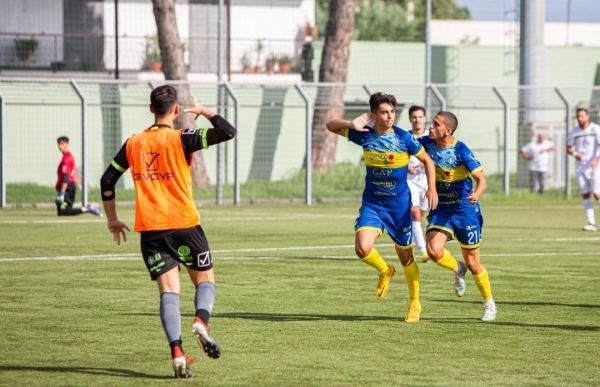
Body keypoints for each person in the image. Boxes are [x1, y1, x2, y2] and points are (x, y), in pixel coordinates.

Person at [99, 85, 236, 378]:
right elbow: (227, 131)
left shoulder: (133, 143)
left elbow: (107, 179)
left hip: (151, 230)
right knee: (205, 281)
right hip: (184, 223)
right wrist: (205, 112)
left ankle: (178, 354)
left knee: (169, 293)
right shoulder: (183, 137)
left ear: (151, 109)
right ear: (176, 110)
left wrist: (112, 219)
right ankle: (201, 321)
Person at [326, 92, 438, 323]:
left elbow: (427, 160)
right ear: (374, 114)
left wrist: (432, 189)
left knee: (406, 257)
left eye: (392, 112)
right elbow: (330, 125)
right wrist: (351, 123)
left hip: (399, 208)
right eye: (384, 112)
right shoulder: (364, 135)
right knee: (362, 248)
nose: (389, 117)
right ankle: (386, 271)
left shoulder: (403, 137)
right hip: (374, 204)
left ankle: (415, 303)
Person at [419, 111, 496, 321]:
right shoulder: (427, 142)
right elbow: (405, 142)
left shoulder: (461, 149)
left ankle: (489, 303)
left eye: (435, 124)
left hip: (465, 211)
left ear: (448, 130)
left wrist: (476, 195)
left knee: (474, 264)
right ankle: (457, 267)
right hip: (442, 208)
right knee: (433, 251)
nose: (430, 127)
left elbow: (482, 180)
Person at [567, 108, 600, 231]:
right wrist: (575, 154)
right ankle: (591, 223)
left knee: (597, 194)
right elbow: (569, 148)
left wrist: (596, 162)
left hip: (594, 167)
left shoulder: (595, 129)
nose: (579, 119)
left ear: (587, 116)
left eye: (582, 116)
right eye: (578, 117)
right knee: (586, 195)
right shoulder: (575, 131)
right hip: (580, 167)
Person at [406, 105, 431, 263]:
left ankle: (413, 236)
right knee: (415, 214)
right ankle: (423, 251)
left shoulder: (431, 137)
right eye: (414, 117)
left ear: (424, 118)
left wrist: (424, 164)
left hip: (427, 181)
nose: (417, 120)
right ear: (410, 119)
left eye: (420, 117)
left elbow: (435, 157)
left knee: (421, 215)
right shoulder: (405, 137)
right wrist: (406, 167)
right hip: (409, 181)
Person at [55, 136, 103, 217]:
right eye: (59, 144)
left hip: (67, 188)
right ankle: (86, 208)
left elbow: (66, 177)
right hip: (66, 187)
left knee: (64, 211)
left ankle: (87, 208)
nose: (60, 146)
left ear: (67, 144)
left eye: (62, 144)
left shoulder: (67, 158)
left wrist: (62, 193)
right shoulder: (66, 157)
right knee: (61, 211)